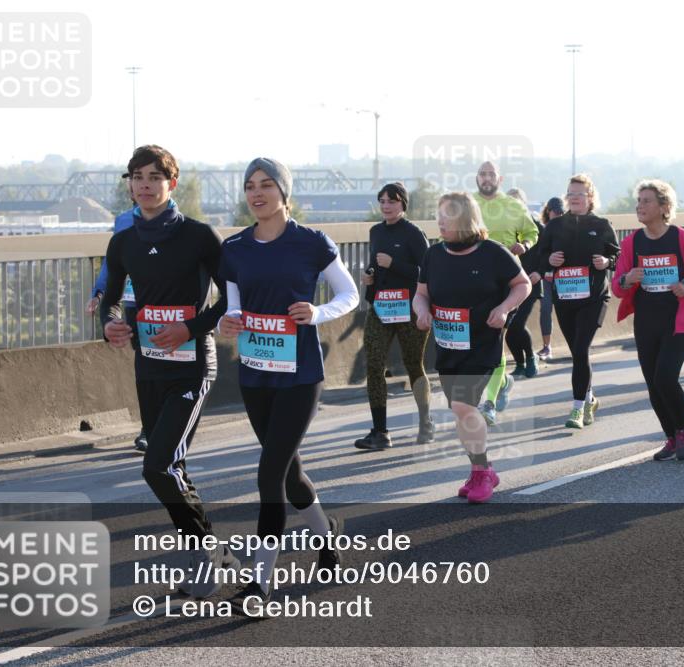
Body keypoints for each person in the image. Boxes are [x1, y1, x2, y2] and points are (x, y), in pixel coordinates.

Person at [218, 157, 359, 610]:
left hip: (300, 375)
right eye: (249, 186)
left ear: (284, 192)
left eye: (265, 185)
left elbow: (349, 293)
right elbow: (233, 307)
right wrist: (228, 322)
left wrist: (316, 314)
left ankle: (260, 584)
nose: (256, 193)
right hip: (256, 372)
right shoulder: (235, 247)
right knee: (289, 470)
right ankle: (327, 537)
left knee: (269, 474)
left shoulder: (312, 243)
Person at [99, 145, 236, 596]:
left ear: (171, 183)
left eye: (154, 177)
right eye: (136, 177)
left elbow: (228, 299)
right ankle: (209, 556)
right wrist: (111, 325)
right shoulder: (123, 241)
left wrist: (189, 329)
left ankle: (208, 554)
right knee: (169, 465)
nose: (144, 185)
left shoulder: (198, 236)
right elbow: (112, 298)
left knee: (157, 466)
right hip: (148, 365)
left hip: (193, 367)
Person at [413, 193, 529, 503]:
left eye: (446, 216)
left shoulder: (493, 253)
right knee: (460, 411)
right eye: (438, 215)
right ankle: (481, 469)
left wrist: (504, 309)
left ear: (465, 218)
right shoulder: (434, 254)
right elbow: (420, 293)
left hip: (481, 343)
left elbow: (523, 284)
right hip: (448, 345)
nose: (439, 221)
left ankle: (482, 473)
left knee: (463, 407)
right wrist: (422, 311)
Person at [612, 180, 684, 461]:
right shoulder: (632, 243)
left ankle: (683, 430)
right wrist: (626, 278)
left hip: (679, 320)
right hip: (646, 320)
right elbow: (617, 287)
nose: (639, 206)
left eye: (647, 201)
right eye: (639, 201)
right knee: (653, 384)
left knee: (665, 376)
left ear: (664, 206)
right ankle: (671, 437)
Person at [537, 174, 619, 429]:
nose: (574, 198)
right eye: (570, 193)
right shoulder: (555, 226)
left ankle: (576, 408)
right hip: (565, 299)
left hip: (594, 298)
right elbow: (538, 256)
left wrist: (607, 263)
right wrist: (549, 260)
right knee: (578, 355)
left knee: (581, 350)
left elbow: (617, 256)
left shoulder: (602, 224)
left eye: (579, 194)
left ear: (590, 197)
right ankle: (590, 398)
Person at [354, 182, 432, 450]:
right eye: (382, 201)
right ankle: (380, 431)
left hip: (410, 308)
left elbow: (426, 272)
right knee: (373, 363)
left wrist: (394, 264)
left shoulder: (413, 233)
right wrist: (369, 276)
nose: (386, 206)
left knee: (413, 364)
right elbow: (376, 265)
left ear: (403, 204)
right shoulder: (375, 231)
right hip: (381, 306)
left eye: (392, 201)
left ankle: (425, 423)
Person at [472, 162, 539, 424]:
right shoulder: (467, 204)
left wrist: (524, 244)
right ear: (477, 178)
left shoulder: (513, 205)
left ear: (499, 178)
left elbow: (533, 232)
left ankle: (488, 404)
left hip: (507, 282)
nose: (486, 178)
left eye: (491, 174)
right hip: (473, 282)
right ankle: (501, 384)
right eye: (482, 174)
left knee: (496, 338)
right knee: (479, 343)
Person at [86, 205, 149, 453]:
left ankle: (164, 427)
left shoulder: (178, 222)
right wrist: (98, 292)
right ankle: (149, 429)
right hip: (134, 302)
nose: (142, 186)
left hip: (167, 305)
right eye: (135, 179)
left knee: (163, 366)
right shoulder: (123, 221)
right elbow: (112, 263)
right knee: (144, 365)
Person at [505, 187, 543, 379]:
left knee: (517, 324)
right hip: (509, 285)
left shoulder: (535, 225)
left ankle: (531, 358)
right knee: (509, 327)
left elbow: (547, 251)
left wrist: (540, 271)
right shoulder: (504, 227)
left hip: (531, 283)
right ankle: (520, 363)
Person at [536, 197, 565, 361]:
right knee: (546, 309)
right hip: (546, 278)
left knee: (566, 310)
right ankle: (547, 346)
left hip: (565, 279)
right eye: (555, 211)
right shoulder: (542, 229)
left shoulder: (568, 228)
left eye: (561, 211)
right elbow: (540, 254)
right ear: (548, 211)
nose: (558, 214)